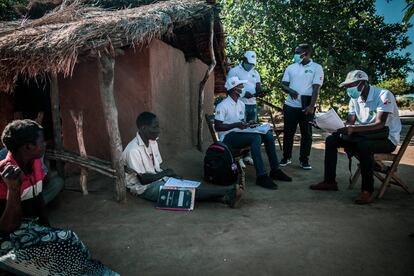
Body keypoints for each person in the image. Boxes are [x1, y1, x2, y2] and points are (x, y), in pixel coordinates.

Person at [0, 120, 117, 275]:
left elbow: (39, 199)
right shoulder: (6, 174)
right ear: (28, 147)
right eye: (41, 141)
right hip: (9, 237)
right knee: (65, 242)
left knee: (67, 240)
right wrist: (13, 189)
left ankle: (87, 270)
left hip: (31, 227)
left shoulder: (34, 163)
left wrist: (48, 231)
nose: (45, 144)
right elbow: (7, 227)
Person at [310, 70, 402, 204]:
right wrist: (327, 125)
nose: (348, 89)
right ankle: (329, 181)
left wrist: (353, 129)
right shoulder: (354, 99)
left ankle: (367, 191)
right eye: (347, 86)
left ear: (363, 83)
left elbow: (379, 124)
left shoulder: (383, 95)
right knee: (331, 139)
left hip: (386, 139)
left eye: (351, 85)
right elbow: (350, 122)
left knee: (364, 145)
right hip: (362, 136)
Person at [122, 112, 243, 208]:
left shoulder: (152, 141)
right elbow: (143, 180)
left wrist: (170, 175)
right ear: (143, 128)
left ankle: (225, 197)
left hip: (157, 178)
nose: (159, 130)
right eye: (155, 127)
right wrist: (165, 173)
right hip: (144, 188)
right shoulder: (133, 150)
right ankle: (228, 191)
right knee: (185, 192)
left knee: (186, 186)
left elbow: (156, 168)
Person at [214, 76, 292, 190]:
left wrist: (249, 124)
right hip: (228, 138)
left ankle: (275, 170)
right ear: (235, 89)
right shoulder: (223, 105)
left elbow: (240, 122)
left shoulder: (241, 104)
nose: (243, 88)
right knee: (255, 138)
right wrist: (236, 125)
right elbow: (217, 126)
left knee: (268, 134)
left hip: (239, 133)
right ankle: (261, 175)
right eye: (241, 86)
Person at [280, 44, 324, 170]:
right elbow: (283, 85)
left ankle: (304, 160)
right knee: (288, 133)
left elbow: (316, 88)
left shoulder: (317, 68)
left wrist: (311, 106)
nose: (295, 54)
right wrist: (290, 91)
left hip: (307, 107)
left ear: (305, 54)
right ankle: (286, 157)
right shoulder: (291, 67)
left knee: (307, 134)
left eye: (297, 52)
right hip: (290, 106)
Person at [227, 50, 262, 165]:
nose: (250, 66)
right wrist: (243, 94)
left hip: (253, 104)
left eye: (252, 64)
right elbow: (228, 87)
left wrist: (260, 91)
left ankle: (247, 155)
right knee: (240, 129)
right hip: (240, 104)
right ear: (244, 60)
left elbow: (258, 86)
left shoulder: (255, 72)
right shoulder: (234, 71)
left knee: (251, 129)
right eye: (249, 63)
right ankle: (239, 157)